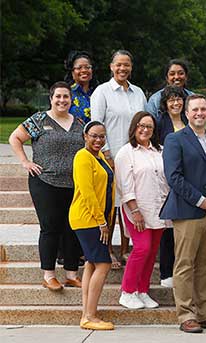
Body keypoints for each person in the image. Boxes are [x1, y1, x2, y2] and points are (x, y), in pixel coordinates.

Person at [160, 94, 206, 333]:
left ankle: (205, 312)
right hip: (189, 211)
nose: (200, 113)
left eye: (203, 109)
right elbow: (174, 177)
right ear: (187, 114)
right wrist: (202, 202)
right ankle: (186, 314)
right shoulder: (175, 140)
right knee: (185, 264)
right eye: (195, 110)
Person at [8, 81, 85, 291]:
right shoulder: (40, 120)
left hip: (73, 185)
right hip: (45, 182)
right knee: (50, 228)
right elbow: (15, 138)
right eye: (58, 96)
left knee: (72, 228)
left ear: (71, 99)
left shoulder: (79, 123)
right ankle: (49, 275)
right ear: (51, 99)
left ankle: (71, 274)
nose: (62, 100)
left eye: (66, 97)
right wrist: (25, 162)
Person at [91, 49, 147, 269]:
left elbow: (143, 123)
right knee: (110, 206)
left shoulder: (138, 92)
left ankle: (126, 249)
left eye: (127, 65)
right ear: (111, 67)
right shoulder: (102, 92)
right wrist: (106, 154)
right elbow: (96, 124)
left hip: (134, 157)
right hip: (110, 157)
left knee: (129, 202)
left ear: (131, 67)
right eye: (119, 65)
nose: (123, 69)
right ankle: (107, 250)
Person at [115, 111, 169, 309]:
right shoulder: (126, 152)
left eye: (149, 127)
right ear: (134, 127)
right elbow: (124, 185)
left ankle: (142, 290)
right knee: (142, 248)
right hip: (137, 209)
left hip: (158, 207)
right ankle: (127, 291)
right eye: (141, 125)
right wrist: (134, 209)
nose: (145, 130)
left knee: (152, 251)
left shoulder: (160, 150)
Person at [69, 121, 115, 330]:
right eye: (94, 136)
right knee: (103, 264)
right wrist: (101, 221)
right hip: (88, 218)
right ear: (85, 136)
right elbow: (87, 192)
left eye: (102, 136)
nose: (98, 140)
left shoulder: (100, 156)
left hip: (96, 218)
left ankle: (87, 312)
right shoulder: (82, 157)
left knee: (91, 263)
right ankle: (90, 316)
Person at [155, 85, 188, 288]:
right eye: (171, 100)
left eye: (179, 99)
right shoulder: (160, 123)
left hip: (190, 178)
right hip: (166, 178)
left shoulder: (189, 121)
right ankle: (166, 272)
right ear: (165, 104)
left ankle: (184, 271)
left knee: (185, 229)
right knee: (168, 228)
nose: (176, 103)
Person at [65, 51, 98, 123]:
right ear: (72, 72)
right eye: (79, 68)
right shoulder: (67, 94)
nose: (83, 70)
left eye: (87, 67)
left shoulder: (99, 93)